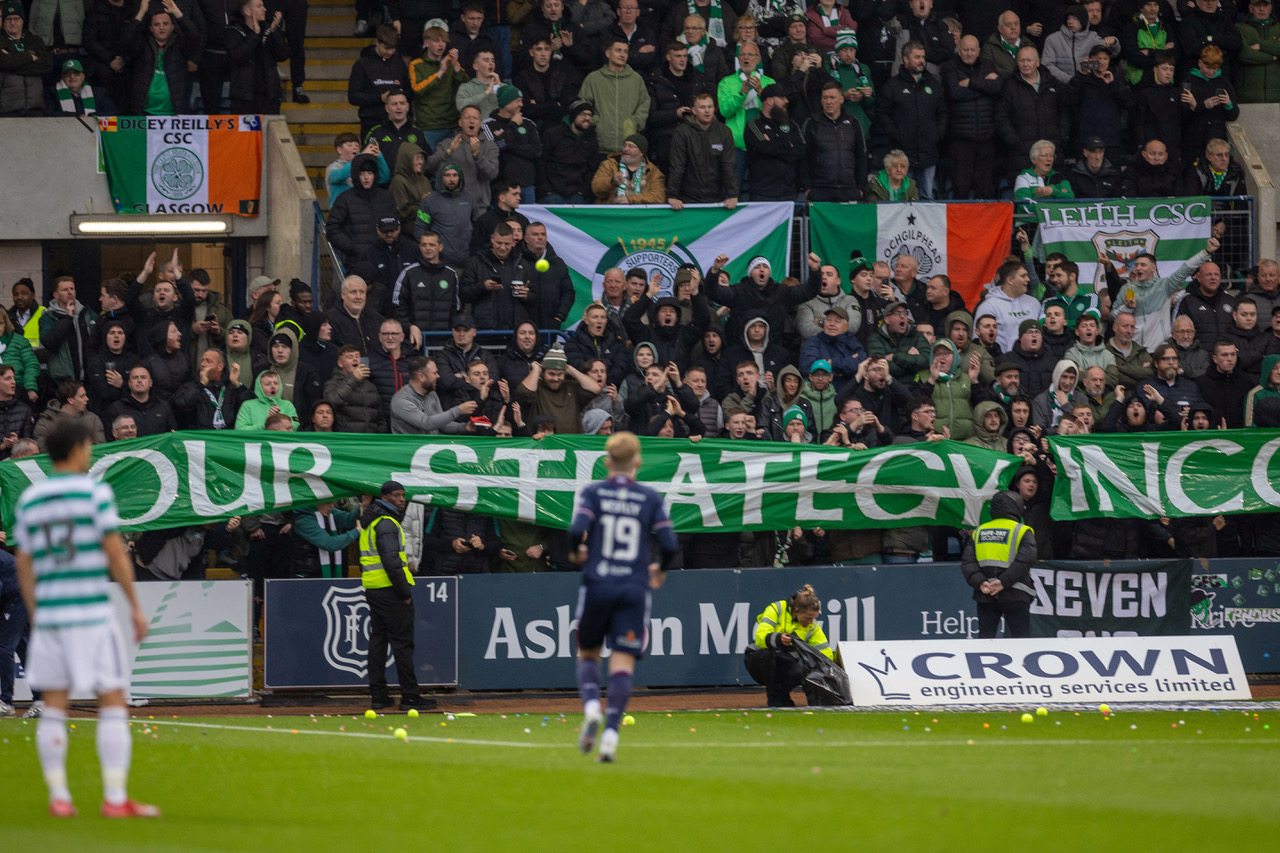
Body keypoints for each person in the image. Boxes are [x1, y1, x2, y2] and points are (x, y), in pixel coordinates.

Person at [14, 418, 159, 818]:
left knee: (54, 705)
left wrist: (36, 612)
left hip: (52, 612)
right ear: (78, 448)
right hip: (92, 610)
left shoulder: (31, 499)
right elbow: (115, 553)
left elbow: (24, 563)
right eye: (89, 447)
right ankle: (114, 797)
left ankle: (59, 797)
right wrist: (134, 605)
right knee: (111, 698)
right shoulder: (94, 493)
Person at [570, 432, 677, 762]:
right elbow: (669, 544)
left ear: (607, 462)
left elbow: (575, 530)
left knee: (587, 653)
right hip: (633, 588)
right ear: (637, 463)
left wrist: (576, 551)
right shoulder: (649, 496)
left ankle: (592, 707)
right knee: (622, 662)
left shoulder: (594, 492)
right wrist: (660, 568)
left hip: (598, 584)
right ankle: (611, 735)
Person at [360, 480, 432, 711]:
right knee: (402, 644)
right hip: (391, 591)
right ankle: (410, 696)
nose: (402, 499)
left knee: (378, 642)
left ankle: (379, 696)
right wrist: (404, 593)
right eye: (397, 495)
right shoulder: (387, 523)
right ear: (384, 497)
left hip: (374, 589)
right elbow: (392, 562)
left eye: (403, 495)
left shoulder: (371, 521)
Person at [961, 490, 1037, 638]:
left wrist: (981, 582)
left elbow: (968, 562)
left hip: (986, 593)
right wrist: (1003, 582)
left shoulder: (979, 531)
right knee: (1022, 643)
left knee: (986, 641)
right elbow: (1026, 560)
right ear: (1017, 507)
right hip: (1016, 593)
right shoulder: (1022, 530)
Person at [744, 584, 834, 707]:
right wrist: (778, 639)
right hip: (757, 661)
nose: (810, 622)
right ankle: (774, 699)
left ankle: (784, 696)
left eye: (813, 618)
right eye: (807, 618)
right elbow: (760, 637)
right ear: (796, 610)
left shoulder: (812, 626)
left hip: (784, 663)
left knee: (801, 672)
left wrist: (832, 669)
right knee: (766, 655)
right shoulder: (777, 609)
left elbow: (824, 652)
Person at [666, 91, 738, 207]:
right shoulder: (682, 132)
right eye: (702, 107)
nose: (707, 111)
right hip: (687, 198)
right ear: (694, 111)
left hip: (716, 198)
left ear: (714, 108)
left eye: (710, 107)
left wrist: (733, 195)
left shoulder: (724, 132)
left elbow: (728, 165)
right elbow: (677, 165)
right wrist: (672, 195)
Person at [578, 36, 650, 153]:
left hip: (627, 148)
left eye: (625, 51)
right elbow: (583, 104)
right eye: (618, 50)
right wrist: (596, 122)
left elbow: (644, 104)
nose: (622, 54)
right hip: (599, 146)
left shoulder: (636, 79)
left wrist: (634, 123)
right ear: (608, 53)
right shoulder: (594, 78)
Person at [226, 0, 287, 114]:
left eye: (263, 5)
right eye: (259, 6)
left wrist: (274, 31)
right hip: (244, 98)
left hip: (269, 96)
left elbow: (283, 55)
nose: (264, 9)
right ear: (247, 11)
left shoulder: (269, 29)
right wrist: (254, 35)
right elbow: (236, 57)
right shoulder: (234, 31)